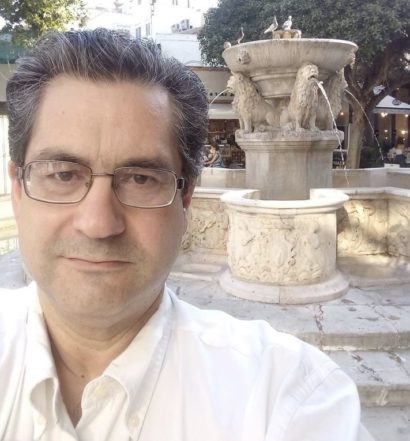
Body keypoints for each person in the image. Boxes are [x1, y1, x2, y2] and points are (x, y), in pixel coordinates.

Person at [0, 29, 372, 440]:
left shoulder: (287, 396)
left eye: (140, 179)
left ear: (187, 197)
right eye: (63, 175)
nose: (98, 224)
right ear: (17, 188)